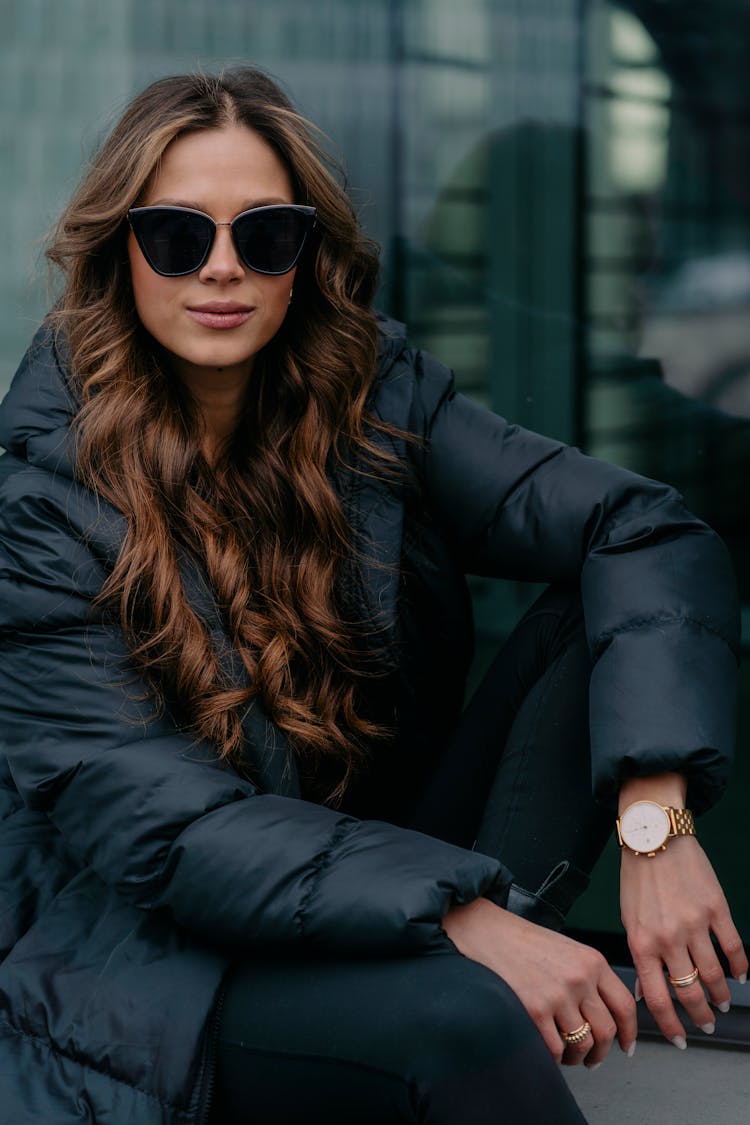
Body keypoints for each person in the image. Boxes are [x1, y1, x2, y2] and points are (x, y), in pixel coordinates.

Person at [0, 68, 746, 1125]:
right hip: (148, 949)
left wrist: (654, 820)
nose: (222, 269)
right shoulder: (36, 500)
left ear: (305, 257)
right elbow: (163, 831)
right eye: (176, 235)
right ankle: (472, 975)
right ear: (119, 251)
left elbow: (641, 527)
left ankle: (479, 964)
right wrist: (459, 914)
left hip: (357, 876)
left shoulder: (372, 398)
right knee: (460, 1026)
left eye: (265, 236)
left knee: (603, 607)